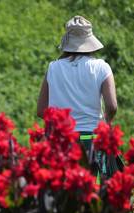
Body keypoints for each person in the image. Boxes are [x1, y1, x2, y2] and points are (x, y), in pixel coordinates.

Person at [37, 15, 120, 177]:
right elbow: (112, 106)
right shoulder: (101, 68)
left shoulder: (53, 68)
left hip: (62, 142)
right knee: (99, 190)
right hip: (93, 140)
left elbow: (41, 110)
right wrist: (107, 123)